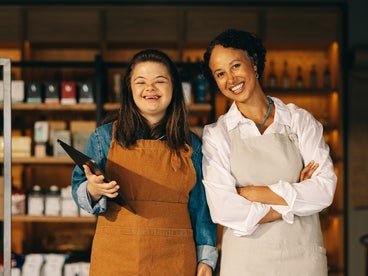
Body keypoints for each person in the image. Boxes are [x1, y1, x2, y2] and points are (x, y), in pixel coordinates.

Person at [201, 29, 337, 275]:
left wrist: (254, 193)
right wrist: (292, 200)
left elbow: (324, 190)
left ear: (253, 63)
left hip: (303, 258)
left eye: (235, 66)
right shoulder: (217, 134)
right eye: (220, 74)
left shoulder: (298, 120)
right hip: (245, 262)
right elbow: (223, 208)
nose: (231, 79)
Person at [71, 49, 218, 276]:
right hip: (116, 259)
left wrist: (206, 259)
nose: (150, 88)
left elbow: (201, 209)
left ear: (174, 88)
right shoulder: (103, 138)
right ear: (129, 89)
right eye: (141, 82)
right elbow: (79, 188)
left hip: (176, 260)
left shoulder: (193, 146)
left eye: (160, 81)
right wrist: (92, 189)